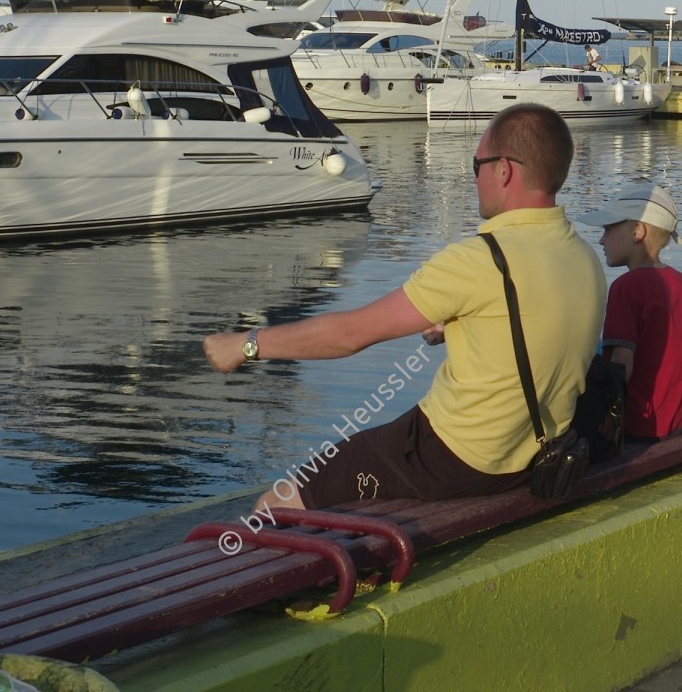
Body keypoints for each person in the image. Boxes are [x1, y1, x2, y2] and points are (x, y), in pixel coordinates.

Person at [202, 104, 606, 511]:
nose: (474, 177)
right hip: (535, 455)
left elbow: (349, 335)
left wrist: (246, 345)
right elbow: (540, 325)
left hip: (454, 456)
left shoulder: (478, 260)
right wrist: (462, 325)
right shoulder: (585, 258)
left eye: (477, 163)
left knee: (280, 500)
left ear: (503, 170)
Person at [585, 182, 682, 440]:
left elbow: (621, 368)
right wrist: (672, 382)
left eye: (608, 229)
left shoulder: (626, 287)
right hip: (680, 425)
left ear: (637, 230)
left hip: (638, 428)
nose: (601, 239)